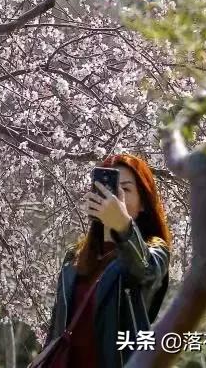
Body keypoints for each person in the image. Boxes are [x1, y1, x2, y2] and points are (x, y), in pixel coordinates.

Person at [41, 153, 173, 368]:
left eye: (126, 189)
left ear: (143, 204)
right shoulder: (74, 257)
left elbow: (145, 270)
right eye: (107, 187)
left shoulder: (153, 250)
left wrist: (123, 226)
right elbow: (56, 332)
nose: (114, 196)